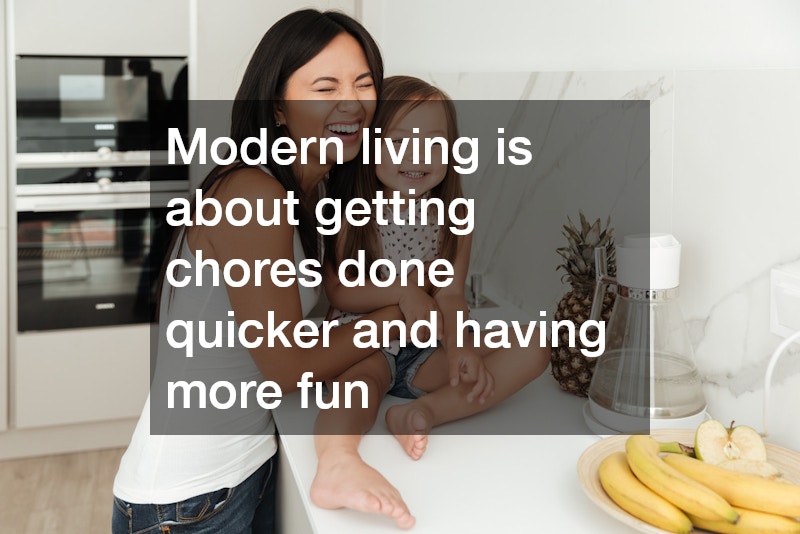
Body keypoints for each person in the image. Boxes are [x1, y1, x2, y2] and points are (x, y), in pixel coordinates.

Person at [111, 9, 416, 533]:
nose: (353, 101)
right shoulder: (253, 193)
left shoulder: (303, 192)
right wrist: (397, 318)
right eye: (326, 86)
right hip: (185, 504)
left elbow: (315, 310)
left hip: (242, 470)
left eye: (364, 83)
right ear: (278, 104)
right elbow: (288, 365)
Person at [309, 76, 550, 526]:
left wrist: (460, 349)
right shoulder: (351, 210)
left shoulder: (456, 219)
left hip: (426, 350)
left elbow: (453, 296)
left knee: (534, 346)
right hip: (364, 342)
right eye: (399, 143)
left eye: (434, 144)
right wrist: (404, 292)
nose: (417, 157)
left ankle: (420, 413)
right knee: (360, 385)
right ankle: (337, 460)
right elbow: (339, 290)